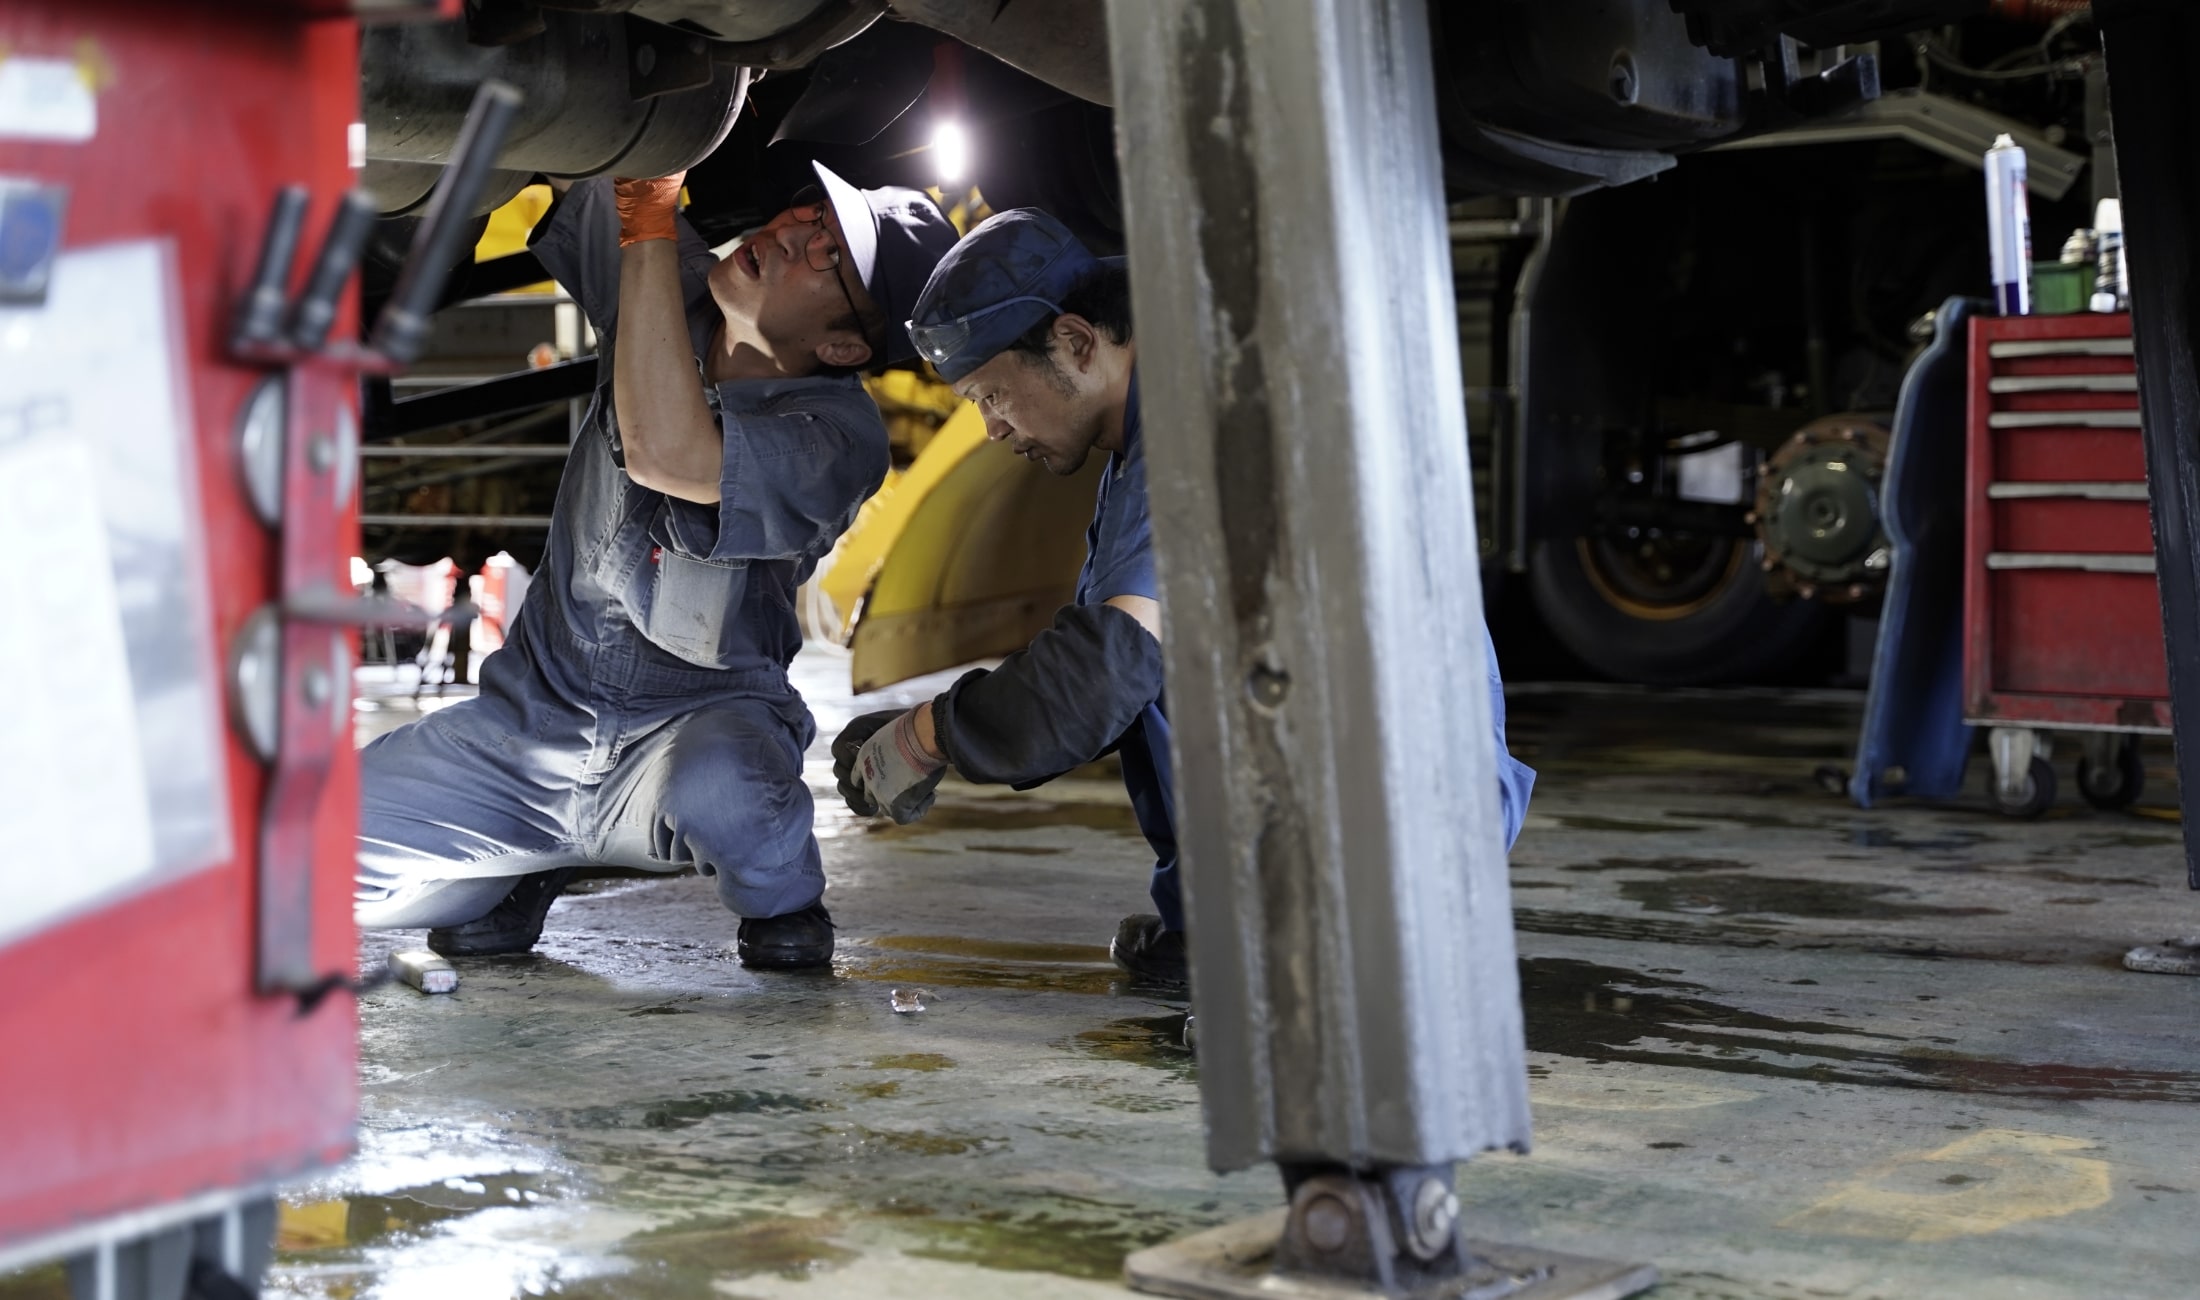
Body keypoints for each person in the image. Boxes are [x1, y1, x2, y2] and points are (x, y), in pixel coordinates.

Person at [831, 210, 1535, 986]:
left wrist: (927, 736)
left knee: (1132, 665)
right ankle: (1224, 926)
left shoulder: (1195, 437)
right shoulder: (1154, 434)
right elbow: (1106, 685)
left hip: (1398, 837)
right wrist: (941, 727)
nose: (993, 428)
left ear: (1075, 343)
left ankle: (1294, 953)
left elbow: (1095, 682)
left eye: (993, 394)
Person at [356, 163, 959, 970]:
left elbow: (667, 453)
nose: (792, 234)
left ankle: (782, 901)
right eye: (811, 213)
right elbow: (584, 162)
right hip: (529, 727)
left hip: (689, 735)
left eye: (829, 257)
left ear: (844, 343)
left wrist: (649, 223)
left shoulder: (839, 439)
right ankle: (520, 864)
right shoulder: (671, 288)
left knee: (727, 791)